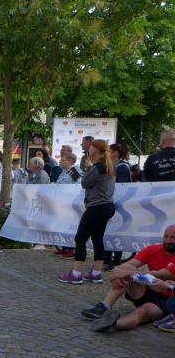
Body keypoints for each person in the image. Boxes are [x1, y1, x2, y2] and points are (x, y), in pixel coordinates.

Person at [82, 225, 175, 332]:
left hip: (168, 299)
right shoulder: (153, 249)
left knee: (140, 313)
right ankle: (105, 306)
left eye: (173, 237)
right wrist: (119, 273)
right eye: (166, 236)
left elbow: (160, 275)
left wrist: (125, 273)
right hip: (149, 290)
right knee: (127, 268)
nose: (168, 240)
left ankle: (113, 324)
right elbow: (127, 265)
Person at [58, 139, 115, 285]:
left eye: (90, 147)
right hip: (107, 206)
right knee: (97, 238)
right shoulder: (108, 166)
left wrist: (89, 168)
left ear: (95, 149)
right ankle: (96, 273)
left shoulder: (97, 167)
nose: (88, 150)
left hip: (96, 207)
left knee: (80, 239)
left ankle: (76, 274)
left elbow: (84, 183)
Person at [105, 143, 132, 271]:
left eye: (109, 151)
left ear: (115, 153)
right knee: (109, 230)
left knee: (117, 231)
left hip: (119, 203)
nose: (107, 153)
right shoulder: (112, 166)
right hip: (110, 202)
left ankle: (116, 260)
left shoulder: (123, 167)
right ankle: (107, 257)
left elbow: (122, 186)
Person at [52, 150, 82, 259]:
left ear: (70, 161)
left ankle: (71, 249)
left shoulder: (73, 171)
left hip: (70, 203)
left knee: (70, 227)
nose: (60, 162)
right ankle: (65, 247)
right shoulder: (64, 172)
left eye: (63, 160)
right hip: (63, 202)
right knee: (63, 226)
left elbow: (78, 185)